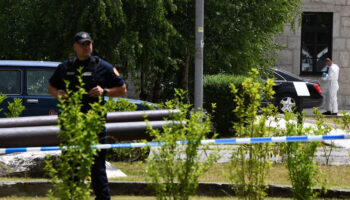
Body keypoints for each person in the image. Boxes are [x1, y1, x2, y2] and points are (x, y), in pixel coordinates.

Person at [48, 31, 127, 200]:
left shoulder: (103, 66)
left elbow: (122, 89)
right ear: (75, 46)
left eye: (88, 43)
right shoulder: (65, 67)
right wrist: (57, 94)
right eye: (82, 44)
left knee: (97, 169)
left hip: (94, 127)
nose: (86, 47)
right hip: (71, 126)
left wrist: (104, 91)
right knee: (71, 168)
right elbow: (51, 86)